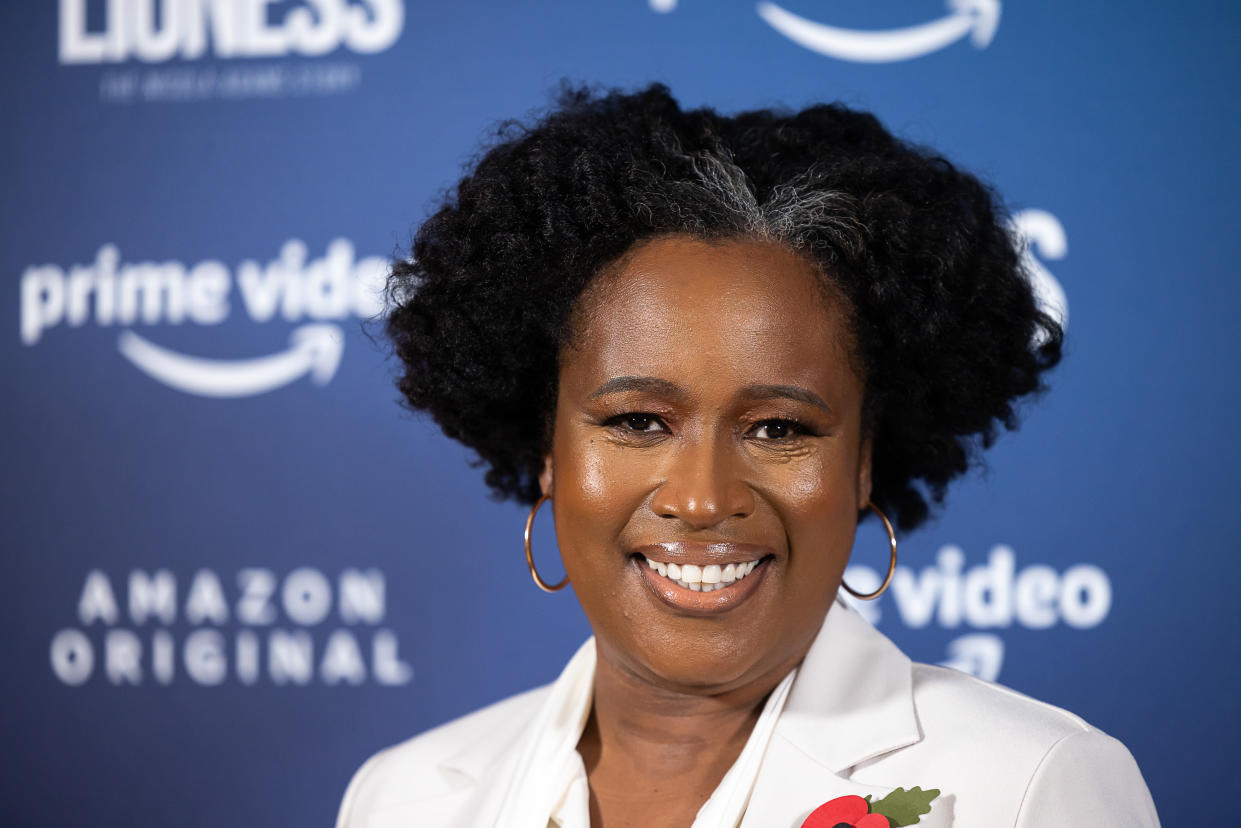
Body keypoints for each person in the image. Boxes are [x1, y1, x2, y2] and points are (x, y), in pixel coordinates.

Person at [336, 84, 1159, 827]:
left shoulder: (1027, 789)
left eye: (778, 429)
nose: (700, 500)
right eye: (637, 421)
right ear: (545, 449)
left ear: (865, 460)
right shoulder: (402, 797)